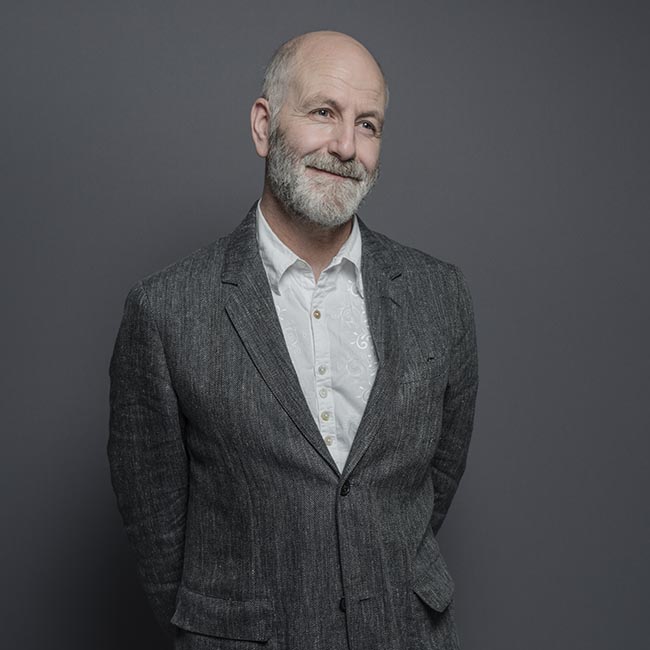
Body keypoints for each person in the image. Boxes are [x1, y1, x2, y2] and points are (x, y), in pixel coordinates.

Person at [108, 30, 478, 650]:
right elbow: (156, 522)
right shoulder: (165, 310)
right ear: (264, 125)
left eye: (367, 124)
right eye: (323, 112)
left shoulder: (440, 296)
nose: (345, 146)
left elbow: (434, 482)